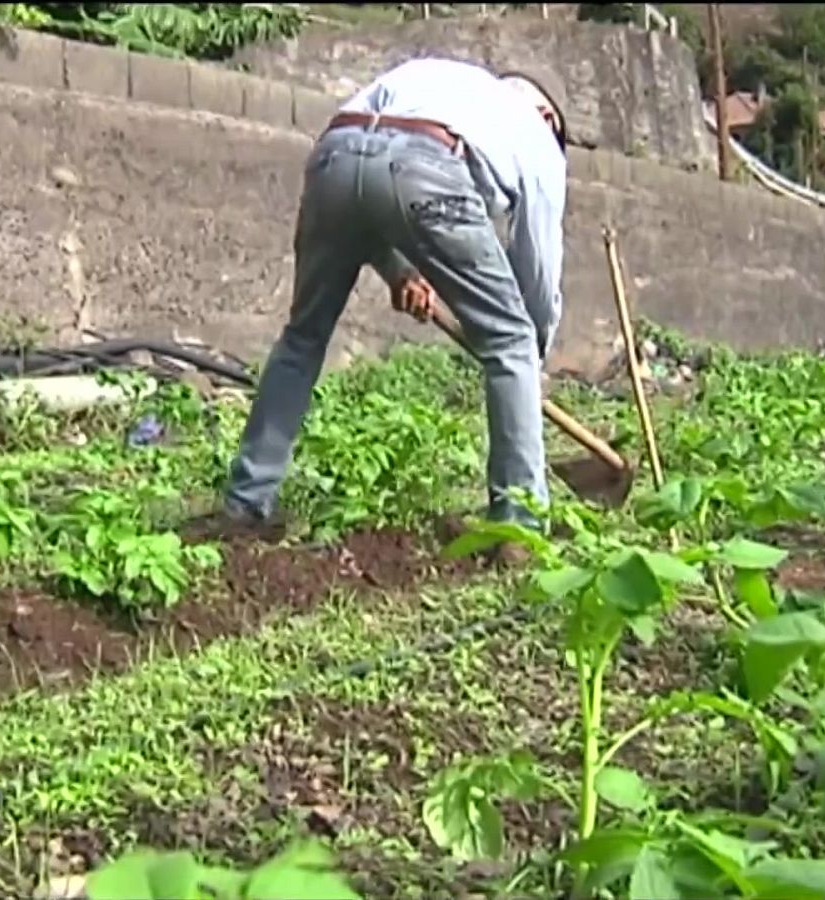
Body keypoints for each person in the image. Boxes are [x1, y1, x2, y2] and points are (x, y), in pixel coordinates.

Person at [189, 58, 569, 551]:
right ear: (549, 117)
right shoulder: (536, 132)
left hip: (334, 156)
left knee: (303, 338)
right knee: (511, 341)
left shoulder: (444, 79)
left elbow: (370, 167)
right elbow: (535, 267)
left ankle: (246, 504)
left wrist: (401, 270)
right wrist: (531, 355)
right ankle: (518, 527)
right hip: (428, 165)